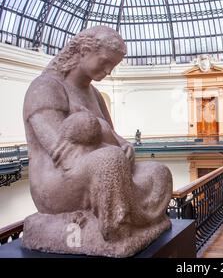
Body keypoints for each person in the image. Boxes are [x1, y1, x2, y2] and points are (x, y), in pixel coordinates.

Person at [22, 26, 172, 257]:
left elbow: (110, 134)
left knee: (158, 171)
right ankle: (114, 229)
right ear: (84, 50)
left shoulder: (95, 94)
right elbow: (61, 151)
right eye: (105, 62)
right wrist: (109, 147)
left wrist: (124, 145)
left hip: (96, 168)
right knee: (109, 161)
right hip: (56, 182)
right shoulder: (45, 87)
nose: (109, 71)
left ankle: (137, 221)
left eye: (113, 65)